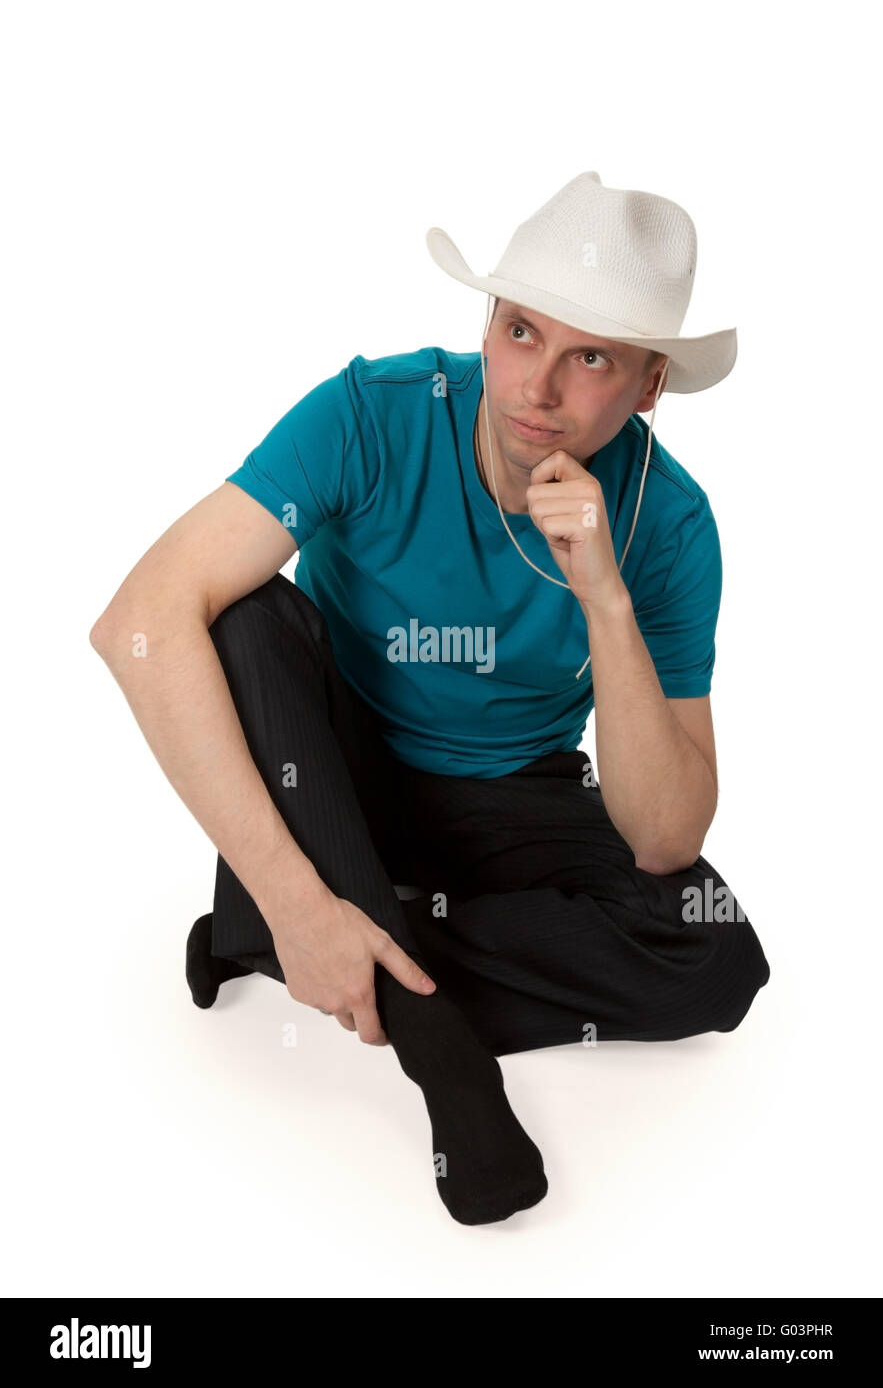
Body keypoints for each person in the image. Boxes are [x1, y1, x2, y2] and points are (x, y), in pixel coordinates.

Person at [90, 171, 770, 1227]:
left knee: (714, 957)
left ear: (646, 388)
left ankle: (292, 940)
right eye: (520, 331)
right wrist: (295, 891)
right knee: (242, 614)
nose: (534, 388)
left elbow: (662, 838)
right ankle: (433, 1041)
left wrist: (603, 599)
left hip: (516, 792)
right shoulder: (373, 413)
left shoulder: (669, 525)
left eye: (588, 357)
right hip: (332, 769)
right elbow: (137, 621)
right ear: (487, 326)